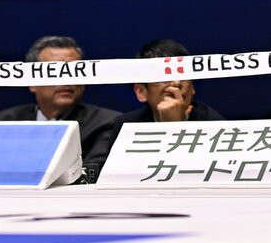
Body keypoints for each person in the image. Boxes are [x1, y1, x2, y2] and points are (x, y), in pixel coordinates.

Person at [82, 39, 223, 182]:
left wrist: (175, 128)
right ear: (141, 91)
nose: (176, 83)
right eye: (163, 77)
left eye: (183, 75)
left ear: (193, 88)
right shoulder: (126, 125)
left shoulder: (214, 124)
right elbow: (115, 179)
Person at [0, 35, 120, 173]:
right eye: (54, 71)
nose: (66, 81)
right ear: (32, 82)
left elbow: (91, 173)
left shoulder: (105, 124)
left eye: (74, 72)